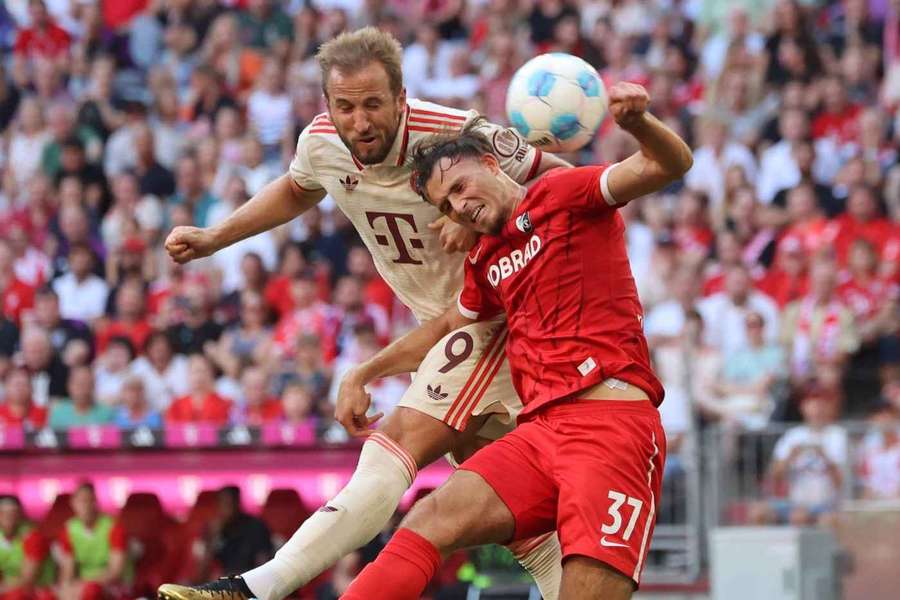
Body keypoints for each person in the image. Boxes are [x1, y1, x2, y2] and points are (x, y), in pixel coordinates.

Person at [157, 26, 570, 600]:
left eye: (374, 104)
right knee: (520, 513)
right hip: (444, 326)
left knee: (394, 443)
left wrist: (478, 201)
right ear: (328, 105)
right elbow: (300, 189)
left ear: (402, 100)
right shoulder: (322, 142)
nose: (360, 121)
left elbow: (563, 183)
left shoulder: (459, 136)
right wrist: (215, 237)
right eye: (345, 106)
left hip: (499, 316)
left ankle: (254, 589)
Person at [338, 81, 691, 599]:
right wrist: (364, 372)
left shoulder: (564, 193)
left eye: (460, 188)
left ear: (491, 163)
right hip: (539, 434)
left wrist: (638, 122)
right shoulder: (485, 259)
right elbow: (443, 330)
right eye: (447, 205)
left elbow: (669, 165)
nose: (459, 207)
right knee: (429, 517)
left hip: (610, 428)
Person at [58, 482, 133, 600]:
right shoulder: (69, 529)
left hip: (114, 585)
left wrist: (83, 585)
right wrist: (65, 588)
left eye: (90, 500)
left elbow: (115, 571)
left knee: (92, 591)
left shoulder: (113, 527)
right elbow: (68, 568)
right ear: (73, 503)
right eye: (82, 501)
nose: (86, 506)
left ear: (96, 502)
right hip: (83, 585)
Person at [0, 495, 56, 600]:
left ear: (20, 515)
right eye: (3, 513)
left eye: (13, 513)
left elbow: (27, 579)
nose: (8, 517)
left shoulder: (33, 537)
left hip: (38, 591)